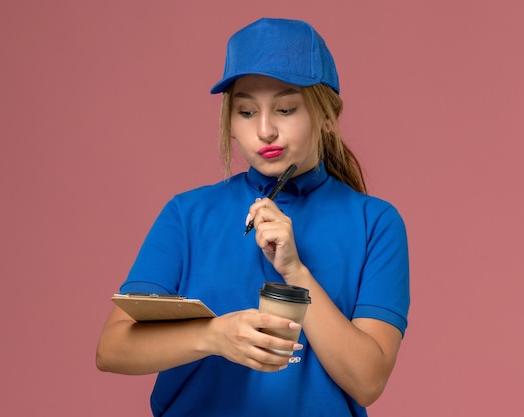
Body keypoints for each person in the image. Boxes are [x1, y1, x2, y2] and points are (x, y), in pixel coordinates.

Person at [96, 17, 410, 417]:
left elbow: (368, 380)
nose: (264, 130)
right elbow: (112, 348)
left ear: (327, 117)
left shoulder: (375, 224)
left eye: (285, 108)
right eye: (246, 111)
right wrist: (214, 336)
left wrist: (296, 271)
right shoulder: (187, 215)